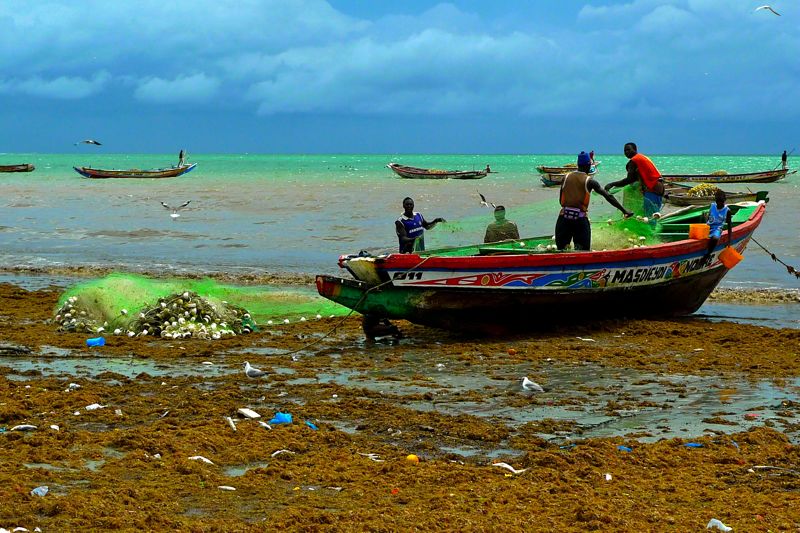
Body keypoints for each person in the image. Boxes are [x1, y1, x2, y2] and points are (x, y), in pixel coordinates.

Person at [556, 151, 633, 251]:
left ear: (578, 165)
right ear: (589, 165)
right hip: (580, 221)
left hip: (563, 219)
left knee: (561, 250)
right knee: (582, 251)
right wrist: (624, 210)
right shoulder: (590, 181)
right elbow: (608, 196)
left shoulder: (565, 178)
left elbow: (560, 200)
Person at [604, 142, 665, 217]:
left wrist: (611, 184)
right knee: (653, 215)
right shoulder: (642, 157)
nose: (626, 152)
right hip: (659, 187)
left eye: (628, 150)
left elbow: (629, 179)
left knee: (650, 216)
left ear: (635, 150)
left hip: (653, 188)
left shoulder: (634, 161)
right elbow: (634, 179)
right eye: (625, 150)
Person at [704, 189, 733, 260]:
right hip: (708, 226)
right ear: (716, 201)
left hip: (718, 228)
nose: (719, 204)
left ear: (724, 200)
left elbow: (729, 225)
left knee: (715, 238)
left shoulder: (727, 210)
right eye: (718, 202)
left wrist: (729, 241)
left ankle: (708, 254)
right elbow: (709, 218)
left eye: (721, 202)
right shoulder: (712, 206)